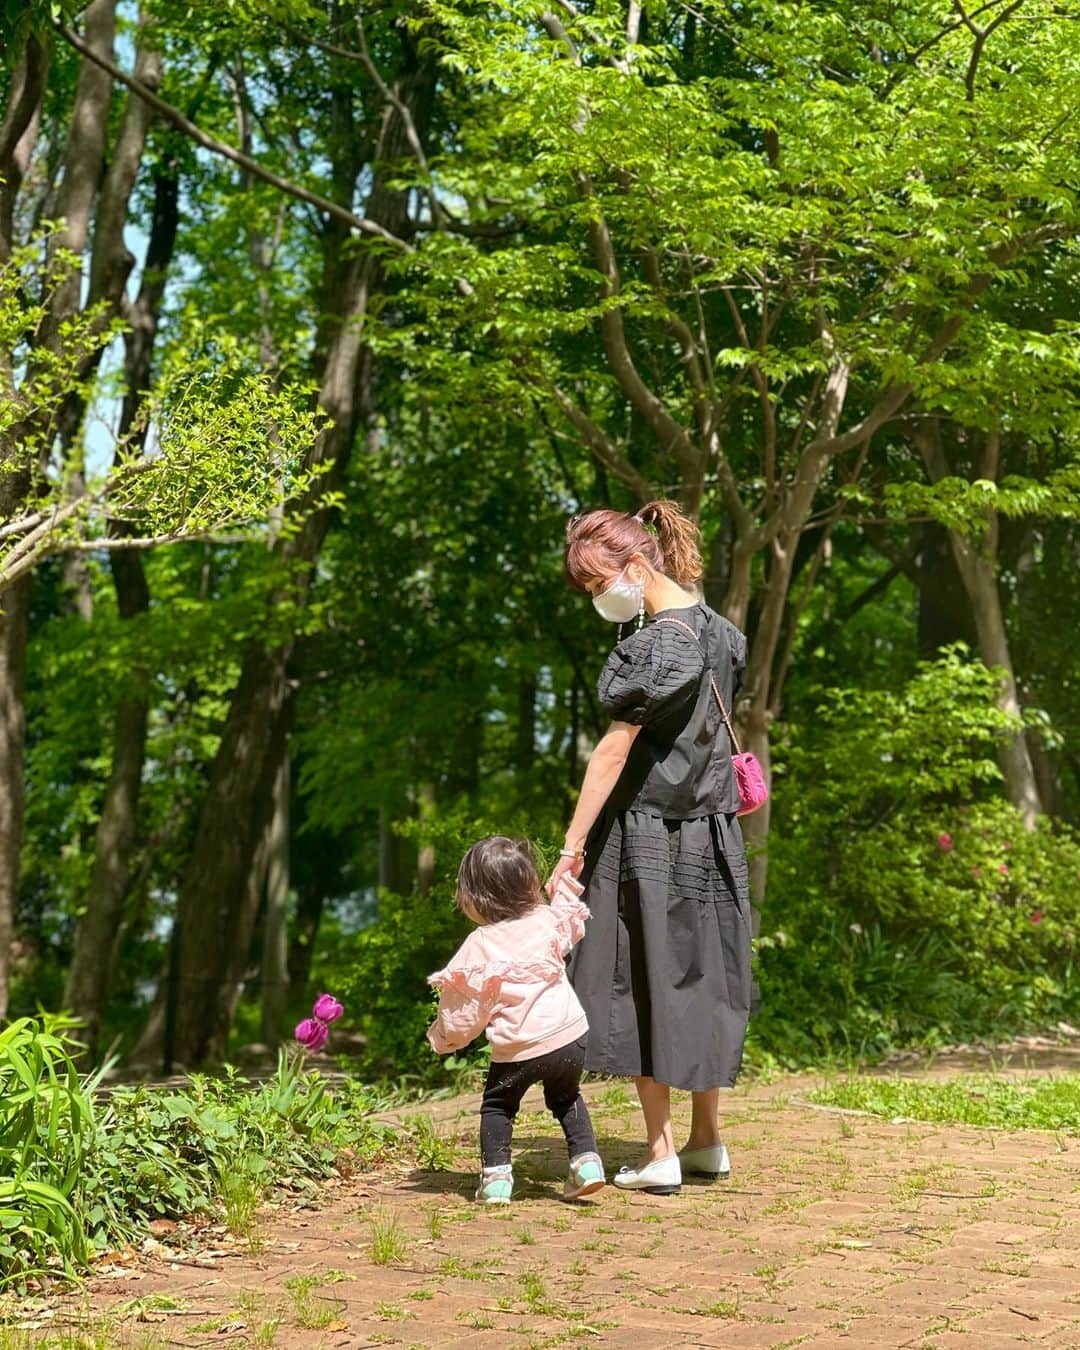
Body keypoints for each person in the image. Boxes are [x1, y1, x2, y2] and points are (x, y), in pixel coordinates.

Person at [546, 500, 753, 1197]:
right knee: (700, 978)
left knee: (642, 979)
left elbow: (613, 752)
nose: (597, 599)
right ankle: (706, 1141)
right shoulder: (723, 634)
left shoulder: (656, 644)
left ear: (635, 564)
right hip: (715, 832)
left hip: (649, 834)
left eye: (598, 583)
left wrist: (571, 847)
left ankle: (660, 1150)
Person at [427, 835, 606, 1204]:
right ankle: (587, 1164)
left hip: (520, 1045)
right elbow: (570, 917)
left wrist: (445, 1039)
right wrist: (568, 877)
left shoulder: (480, 944)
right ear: (527, 883)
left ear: (476, 898)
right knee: (567, 1095)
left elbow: (463, 1012)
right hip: (570, 1036)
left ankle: (495, 1179)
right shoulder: (546, 919)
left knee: (498, 1105)